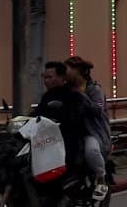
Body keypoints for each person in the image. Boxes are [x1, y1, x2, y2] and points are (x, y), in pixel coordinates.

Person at [37, 61, 107, 193]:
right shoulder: (49, 95)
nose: (46, 81)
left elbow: (96, 111)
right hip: (59, 133)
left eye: (69, 70)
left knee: (91, 151)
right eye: (45, 78)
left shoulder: (90, 90)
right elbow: (40, 112)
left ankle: (100, 178)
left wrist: (81, 98)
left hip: (89, 131)